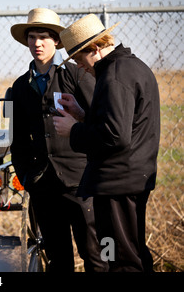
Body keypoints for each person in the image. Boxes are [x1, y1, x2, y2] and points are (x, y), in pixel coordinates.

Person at [53, 14, 160, 272]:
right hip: (126, 181)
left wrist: (74, 130)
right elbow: (121, 122)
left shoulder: (114, 76)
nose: (79, 66)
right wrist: (82, 114)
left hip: (117, 185)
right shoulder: (129, 67)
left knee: (121, 260)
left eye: (79, 58)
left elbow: (114, 136)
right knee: (129, 253)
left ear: (96, 48)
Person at [9, 8, 108, 272]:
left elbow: (97, 123)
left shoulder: (77, 75)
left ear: (56, 41)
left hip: (81, 182)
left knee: (95, 255)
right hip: (43, 185)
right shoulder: (19, 87)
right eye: (31, 37)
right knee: (57, 259)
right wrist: (27, 177)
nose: (37, 43)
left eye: (43, 36)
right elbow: (17, 140)